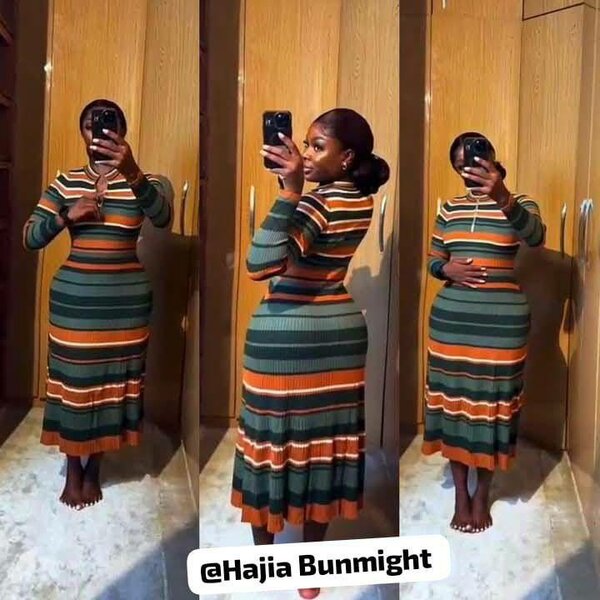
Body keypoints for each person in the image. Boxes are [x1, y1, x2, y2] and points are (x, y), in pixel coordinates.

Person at [230, 108, 389, 599]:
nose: (305, 153)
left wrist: (289, 194)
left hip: (285, 336)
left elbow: (260, 265)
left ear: (347, 157)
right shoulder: (360, 200)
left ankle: (266, 561)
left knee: (268, 446)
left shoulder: (316, 203)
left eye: (318, 146)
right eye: (305, 143)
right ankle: (308, 570)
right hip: (339, 335)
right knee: (324, 448)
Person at [23, 99, 173, 510]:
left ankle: (96, 468)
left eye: (108, 125)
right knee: (74, 386)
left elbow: (163, 218)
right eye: (91, 125)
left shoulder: (146, 181)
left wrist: (133, 170)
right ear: (82, 133)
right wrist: (66, 216)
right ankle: (75, 469)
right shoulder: (65, 182)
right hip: (75, 304)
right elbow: (30, 237)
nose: (99, 132)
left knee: (112, 385)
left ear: (121, 133)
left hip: (126, 305)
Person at [422, 131, 545, 533]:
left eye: (474, 160)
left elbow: (536, 237)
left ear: (491, 157)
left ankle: (482, 493)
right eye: (460, 165)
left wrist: (503, 196)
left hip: (502, 323)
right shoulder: (449, 209)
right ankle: (461, 493)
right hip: (452, 321)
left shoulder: (518, 202)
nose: (468, 170)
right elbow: (433, 260)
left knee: (493, 406)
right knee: (455, 406)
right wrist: (446, 268)